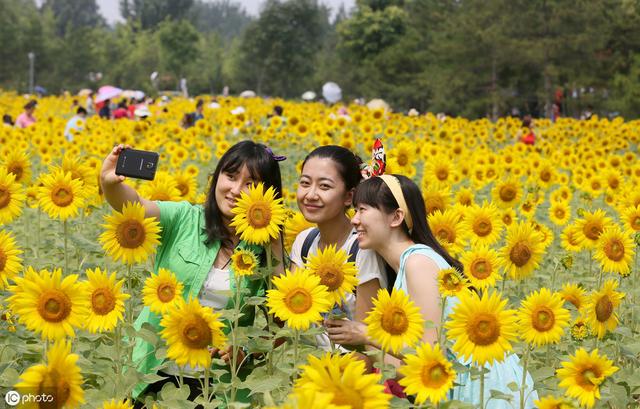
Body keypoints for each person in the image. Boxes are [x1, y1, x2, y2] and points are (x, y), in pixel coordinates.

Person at [100, 140, 286, 406]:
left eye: (250, 184)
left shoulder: (262, 251)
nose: (235, 190)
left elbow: (281, 321)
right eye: (230, 176)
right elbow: (135, 205)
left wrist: (246, 351)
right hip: (154, 372)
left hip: (218, 388)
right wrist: (109, 183)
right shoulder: (184, 218)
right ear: (217, 177)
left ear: (266, 195)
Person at [326, 175, 538, 408]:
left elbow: (431, 355)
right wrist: (361, 345)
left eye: (363, 210)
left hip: (481, 389)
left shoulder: (418, 263)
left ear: (396, 217)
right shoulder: (408, 266)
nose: (354, 220)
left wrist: (367, 335)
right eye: (354, 210)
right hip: (459, 386)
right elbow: (412, 368)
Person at [289, 146, 389, 352]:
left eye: (324, 186)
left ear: (348, 196)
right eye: (305, 183)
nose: (310, 194)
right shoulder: (303, 243)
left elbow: (368, 347)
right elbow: (291, 318)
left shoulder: (362, 250)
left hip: (347, 374)